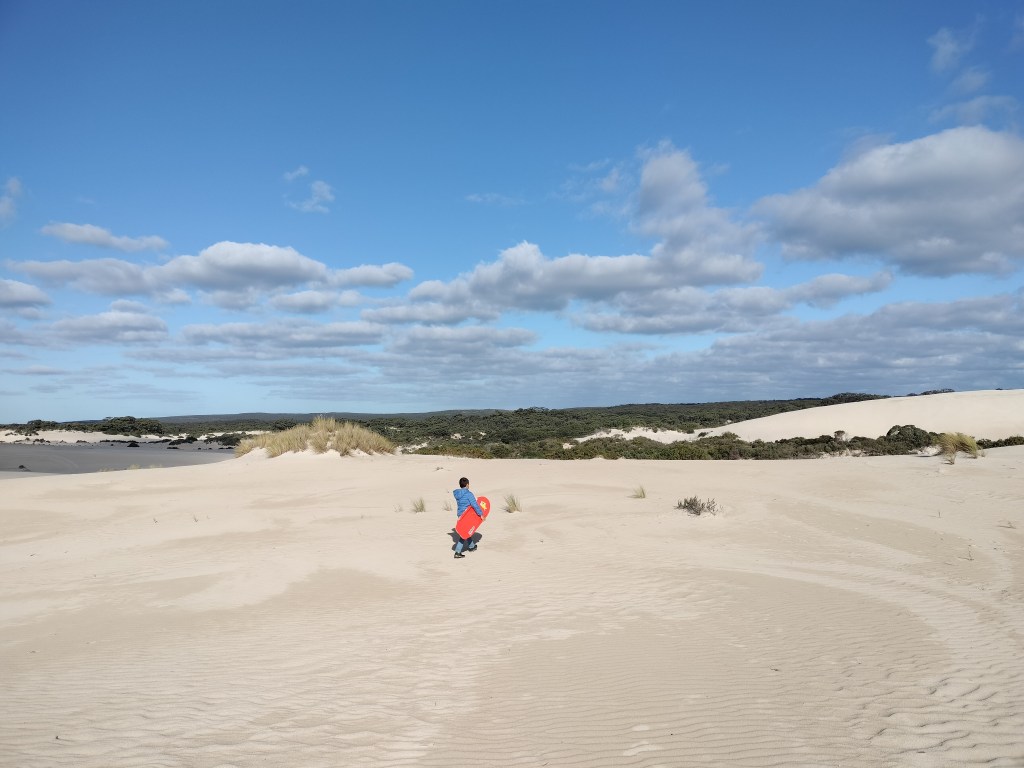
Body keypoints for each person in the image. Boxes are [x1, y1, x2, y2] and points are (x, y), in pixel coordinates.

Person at [452, 476, 484, 559]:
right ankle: (457, 552)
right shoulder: (469, 494)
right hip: (467, 515)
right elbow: (474, 505)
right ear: (467, 484)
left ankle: (471, 546)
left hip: (460, 515)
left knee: (467, 530)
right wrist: (480, 514)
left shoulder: (457, 494)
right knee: (464, 534)